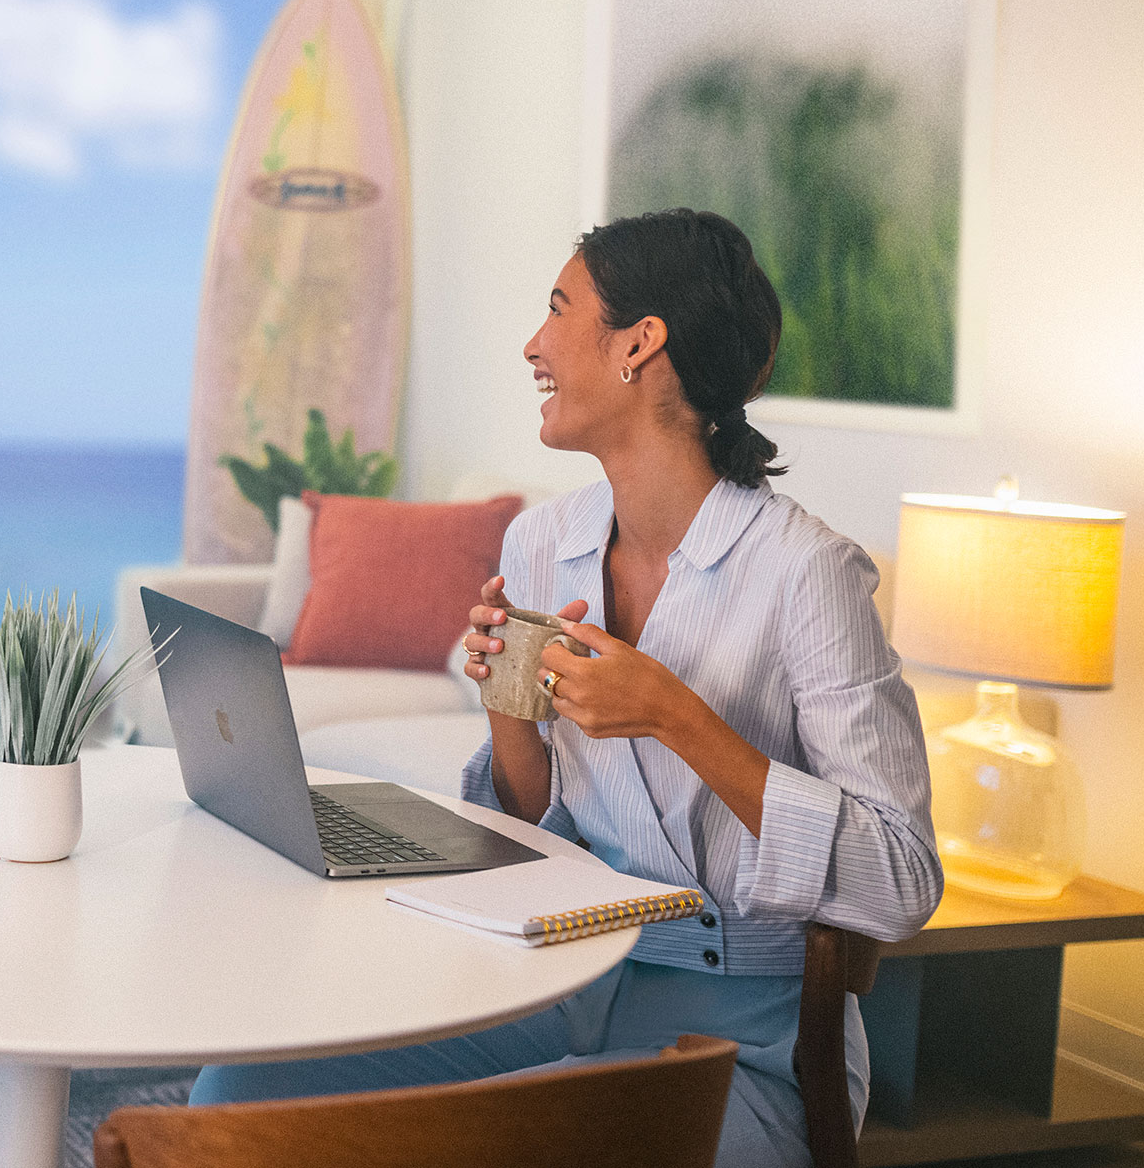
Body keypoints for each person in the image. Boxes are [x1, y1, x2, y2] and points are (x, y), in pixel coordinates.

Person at [188, 209, 941, 1167]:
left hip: (740, 1045)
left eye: (558, 309)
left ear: (639, 344)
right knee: (235, 1100)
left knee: (466, 1144)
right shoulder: (544, 544)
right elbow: (530, 812)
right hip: (558, 984)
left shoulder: (807, 572)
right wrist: (511, 705)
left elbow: (904, 878)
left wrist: (673, 714)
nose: (534, 344)